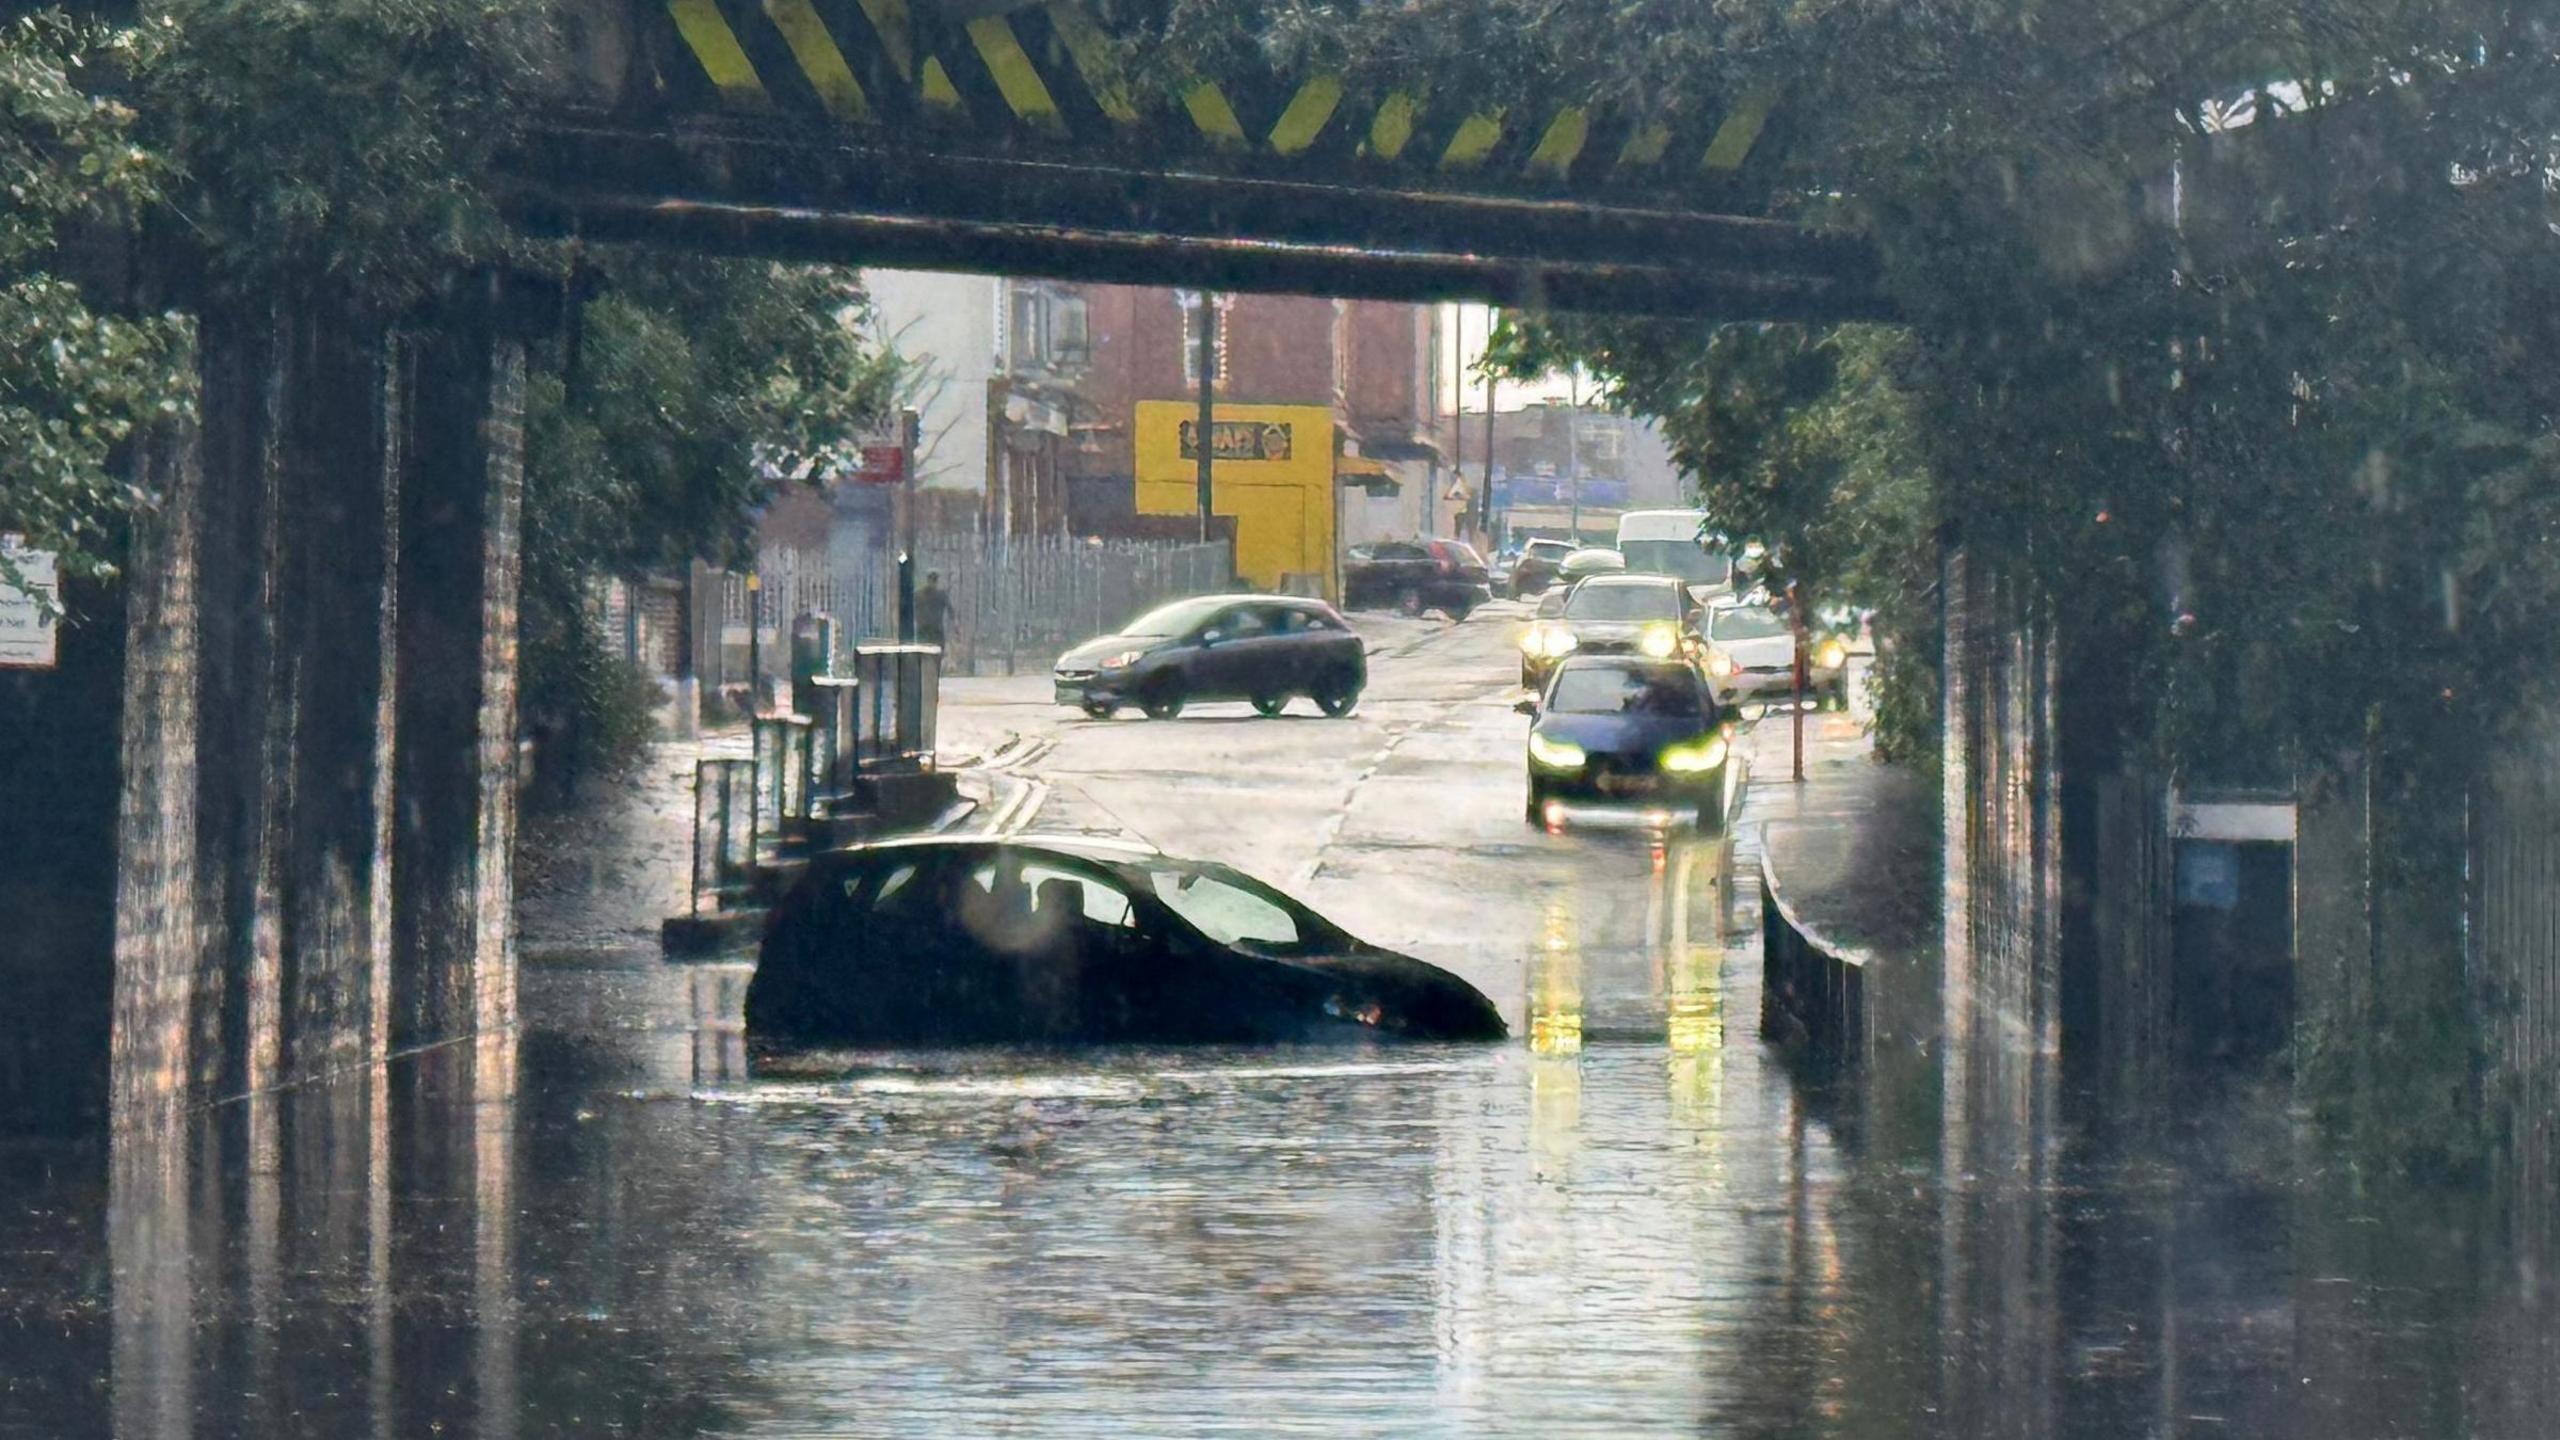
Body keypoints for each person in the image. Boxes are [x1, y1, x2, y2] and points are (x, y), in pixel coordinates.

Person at [915, 570, 953, 647]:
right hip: (932, 630)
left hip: (928, 630)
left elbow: (950, 610)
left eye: (934, 580)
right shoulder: (941, 594)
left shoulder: (918, 594)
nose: (933, 582)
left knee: (923, 651)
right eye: (933, 580)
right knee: (936, 651)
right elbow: (951, 610)